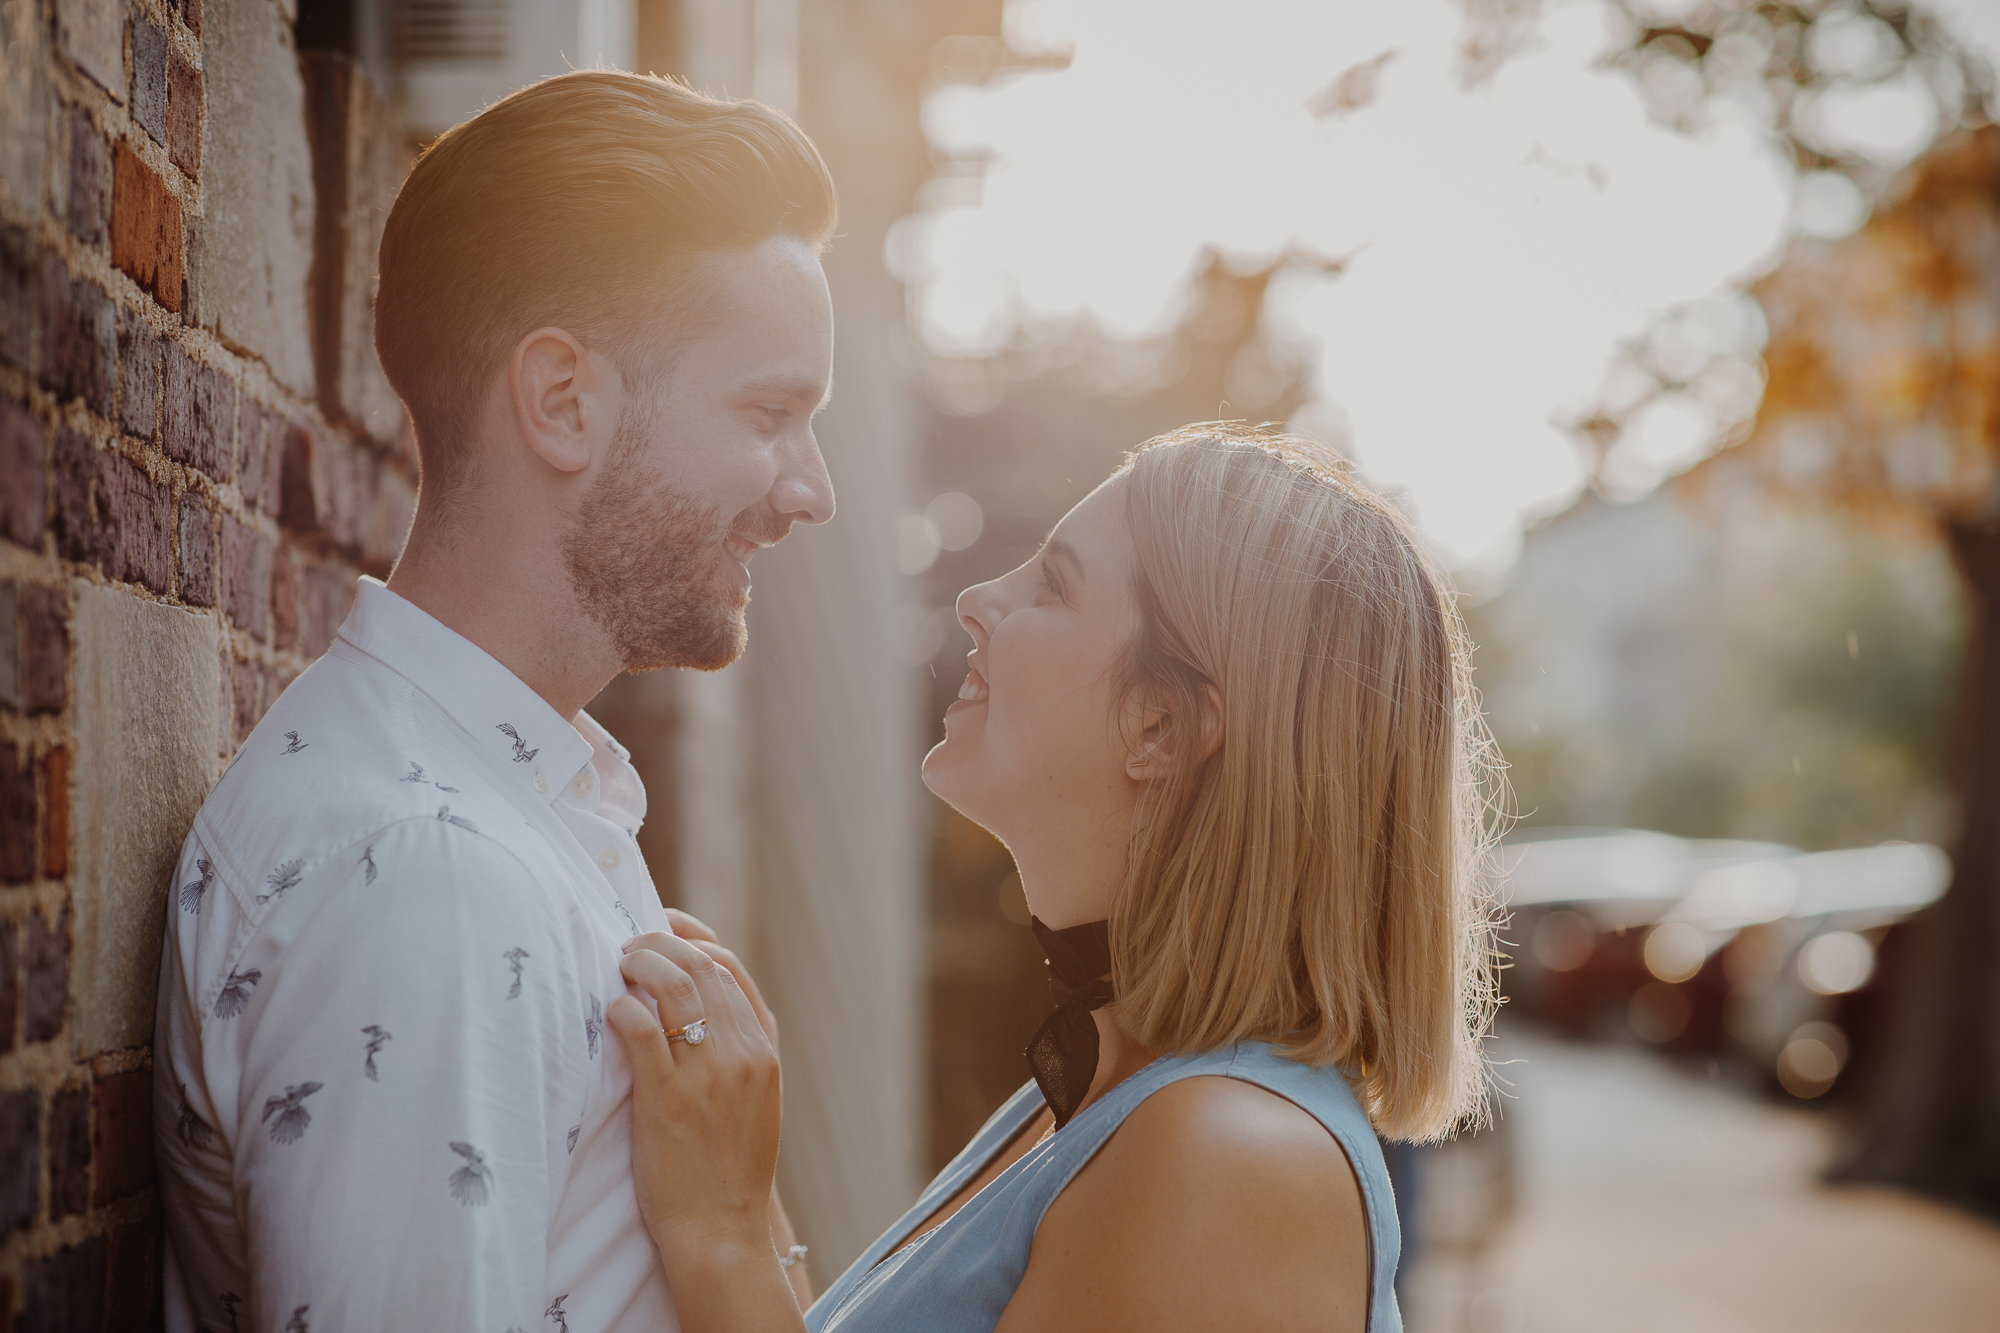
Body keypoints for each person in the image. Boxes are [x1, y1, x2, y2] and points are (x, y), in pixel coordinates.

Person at [151, 72, 837, 1330]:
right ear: (562, 400)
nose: (812, 490)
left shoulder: (516, 808)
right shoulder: (421, 874)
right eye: (770, 413)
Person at [608, 425, 1500, 1333]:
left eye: (1052, 584)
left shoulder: (1227, 1156)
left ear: (1161, 727)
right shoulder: (1108, 1091)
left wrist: (720, 1234)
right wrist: (751, 1202)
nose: (974, 599)